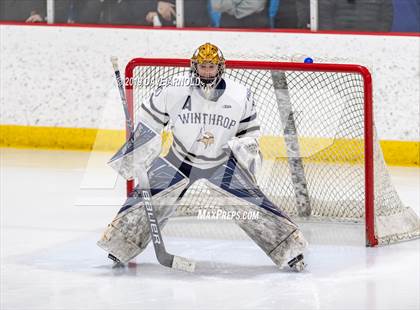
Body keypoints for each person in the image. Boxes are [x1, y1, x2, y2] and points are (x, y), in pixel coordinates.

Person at [98, 43, 308, 271]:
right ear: (193, 67)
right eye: (202, 66)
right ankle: (119, 246)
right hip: (179, 159)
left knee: (251, 204)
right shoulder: (173, 88)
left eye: (211, 66)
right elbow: (149, 120)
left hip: (220, 162)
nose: (206, 71)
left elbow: (249, 133)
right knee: (148, 195)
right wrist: (139, 147)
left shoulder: (240, 94)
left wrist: (246, 157)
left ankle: (290, 250)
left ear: (220, 67)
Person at [318, 0, 394, 32]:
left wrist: (376, 39)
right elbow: (325, 18)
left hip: (372, 41)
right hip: (336, 39)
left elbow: (386, 19)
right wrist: (331, 38)